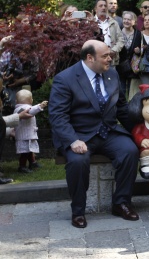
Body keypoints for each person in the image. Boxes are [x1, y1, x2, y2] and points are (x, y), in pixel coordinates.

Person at [48, 40, 139, 229]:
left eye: (110, 55)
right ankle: (78, 210)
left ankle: (121, 203)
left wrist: (140, 133)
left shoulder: (112, 74)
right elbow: (57, 115)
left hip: (108, 131)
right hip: (79, 134)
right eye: (105, 56)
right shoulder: (65, 79)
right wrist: (72, 140)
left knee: (130, 151)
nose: (110, 59)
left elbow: (121, 108)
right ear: (90, 58)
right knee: (78, 161)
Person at [14, 89, 47, 173]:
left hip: (27, 135)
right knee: (25, 153)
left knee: (29, 151)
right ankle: (22, 166)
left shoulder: (19, 109)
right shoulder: (22, 109)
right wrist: (40, 106)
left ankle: (33, 162)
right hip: (24, 136)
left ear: (16, 101)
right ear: (31, 100)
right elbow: (31, 111)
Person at [93, 0, 124, 70]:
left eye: (105, 6)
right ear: (95, 9)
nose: (103, 8)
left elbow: (121, 40)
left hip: (111, 60)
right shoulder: (91, 23)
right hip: (95, 60)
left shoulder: (114, 23)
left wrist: (114, 50)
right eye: (101, 6)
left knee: (111, 80)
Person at [119, 11, 142, 96]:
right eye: (124, 19)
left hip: (133, 67)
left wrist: (139, 51)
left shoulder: (138, 34)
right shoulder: (118, 32)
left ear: (134, 22)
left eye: (129, 19)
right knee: (121, 90)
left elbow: (143, 49)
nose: (126, 21)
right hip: (120, 66)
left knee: (132, 93)